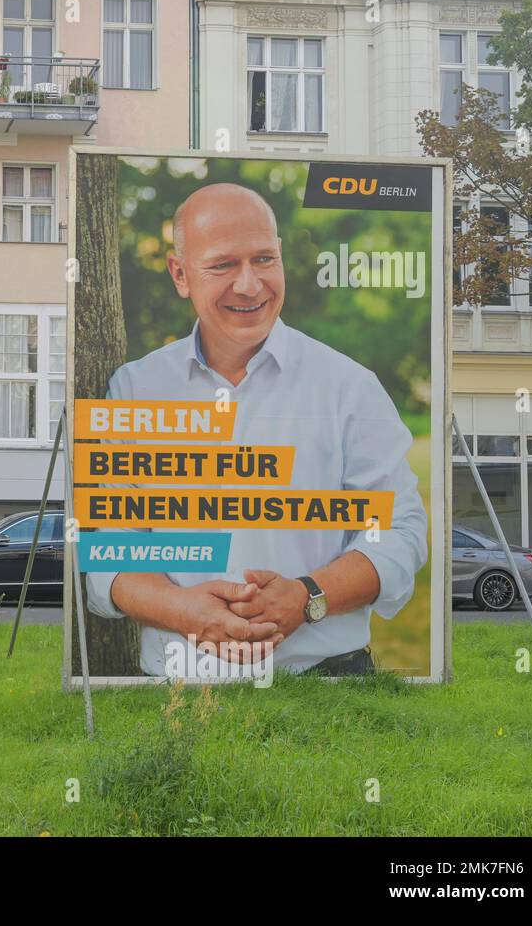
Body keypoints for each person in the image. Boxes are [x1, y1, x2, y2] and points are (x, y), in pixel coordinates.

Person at [85, 183, 427, 676]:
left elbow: (399, 530)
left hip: (328, 688)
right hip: (175, 694)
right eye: (223, 265)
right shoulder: (136, 388)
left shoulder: (348, 386)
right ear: (180, 274)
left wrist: (308, 596)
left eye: (264, 259)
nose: (249, 284)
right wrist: (185, 612)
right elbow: (112, 550)